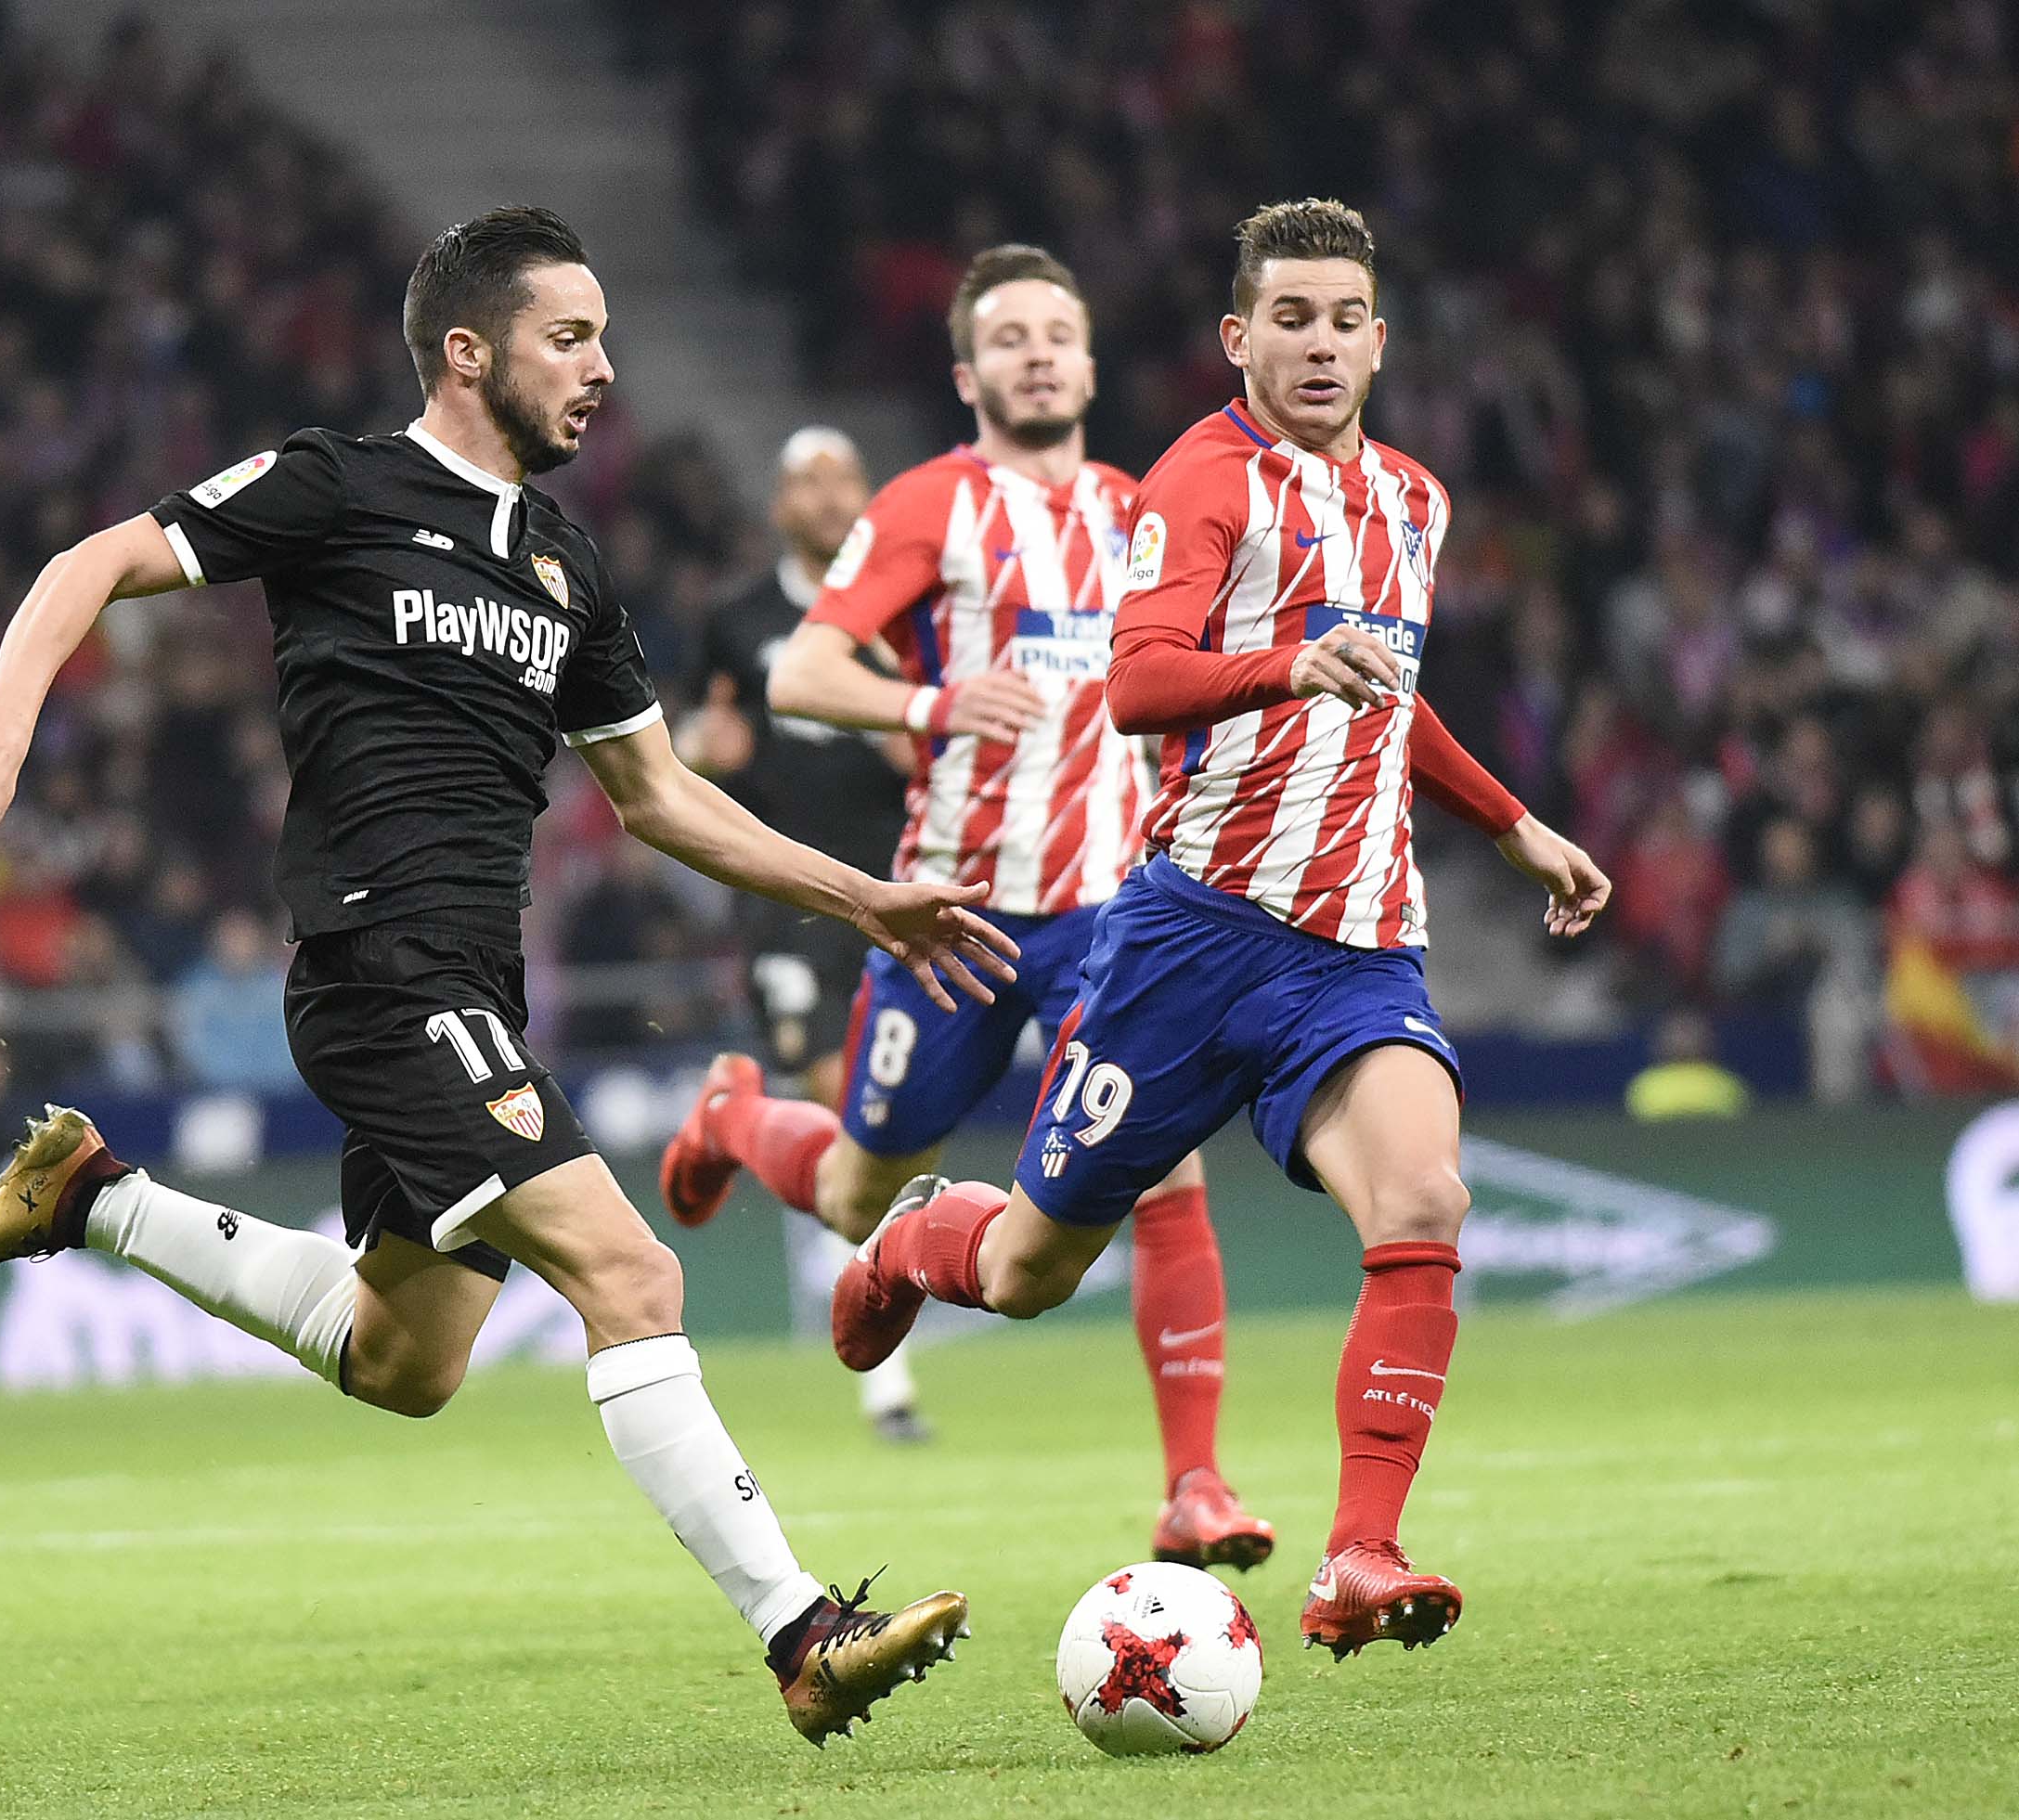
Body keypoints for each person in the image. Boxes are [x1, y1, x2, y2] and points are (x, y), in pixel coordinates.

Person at [0, 208, 1017, 1744]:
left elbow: (657, 797)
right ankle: (800, 1631)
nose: (603, 369)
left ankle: (91, 1196)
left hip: (470, 990)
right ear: (466, 351)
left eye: (606, 339)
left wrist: (863, 897)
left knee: (404, 1358)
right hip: (378, 965)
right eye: (570, 337)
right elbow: (89, 560)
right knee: (632, 1277)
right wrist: (1, 737)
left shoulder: (566, 566)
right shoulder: (336, 486)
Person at [823, 200, 1611, 1659]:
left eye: (1344, 320)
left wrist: (1513, 824)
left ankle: (1358, 1555)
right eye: (1289, 320)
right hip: (1188, 941)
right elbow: (1137, 685)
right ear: (1237, 338)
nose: (1319, 344)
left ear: (1379, 340)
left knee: (1425, 1201)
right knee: (1027, 1276)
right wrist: (1285, 664)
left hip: (1358, 942)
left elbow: (1398, 693)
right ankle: (915, 1238)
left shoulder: (1416, 505)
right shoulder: (1199, 479)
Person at [658, 245, 1273, 1568]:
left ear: (1092, 364)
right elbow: (806, 673)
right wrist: (932, 701)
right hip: (951, 918)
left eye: (1060, 332)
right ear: (967, 372)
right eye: (1010, 337)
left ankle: (1195, 1483)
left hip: (1116, 917)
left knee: (1167, 1166)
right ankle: (736, 1116)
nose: (1038, 353)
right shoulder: (931, 504)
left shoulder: (1145, 512)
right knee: (849, 1186)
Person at [669, 425, 938, 1442]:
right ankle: (888, 1380)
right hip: (787, 895)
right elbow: (688, 744)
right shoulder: (738, 619)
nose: (826, 498)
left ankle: (881, 1305)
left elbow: (934, 746)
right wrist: (705, 743)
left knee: (891, 1120)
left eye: (842, 478)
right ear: (779, 506)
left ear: (867, 495)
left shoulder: (905, 611)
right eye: (805, 483)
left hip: (902, 889)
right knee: (837, 1090)